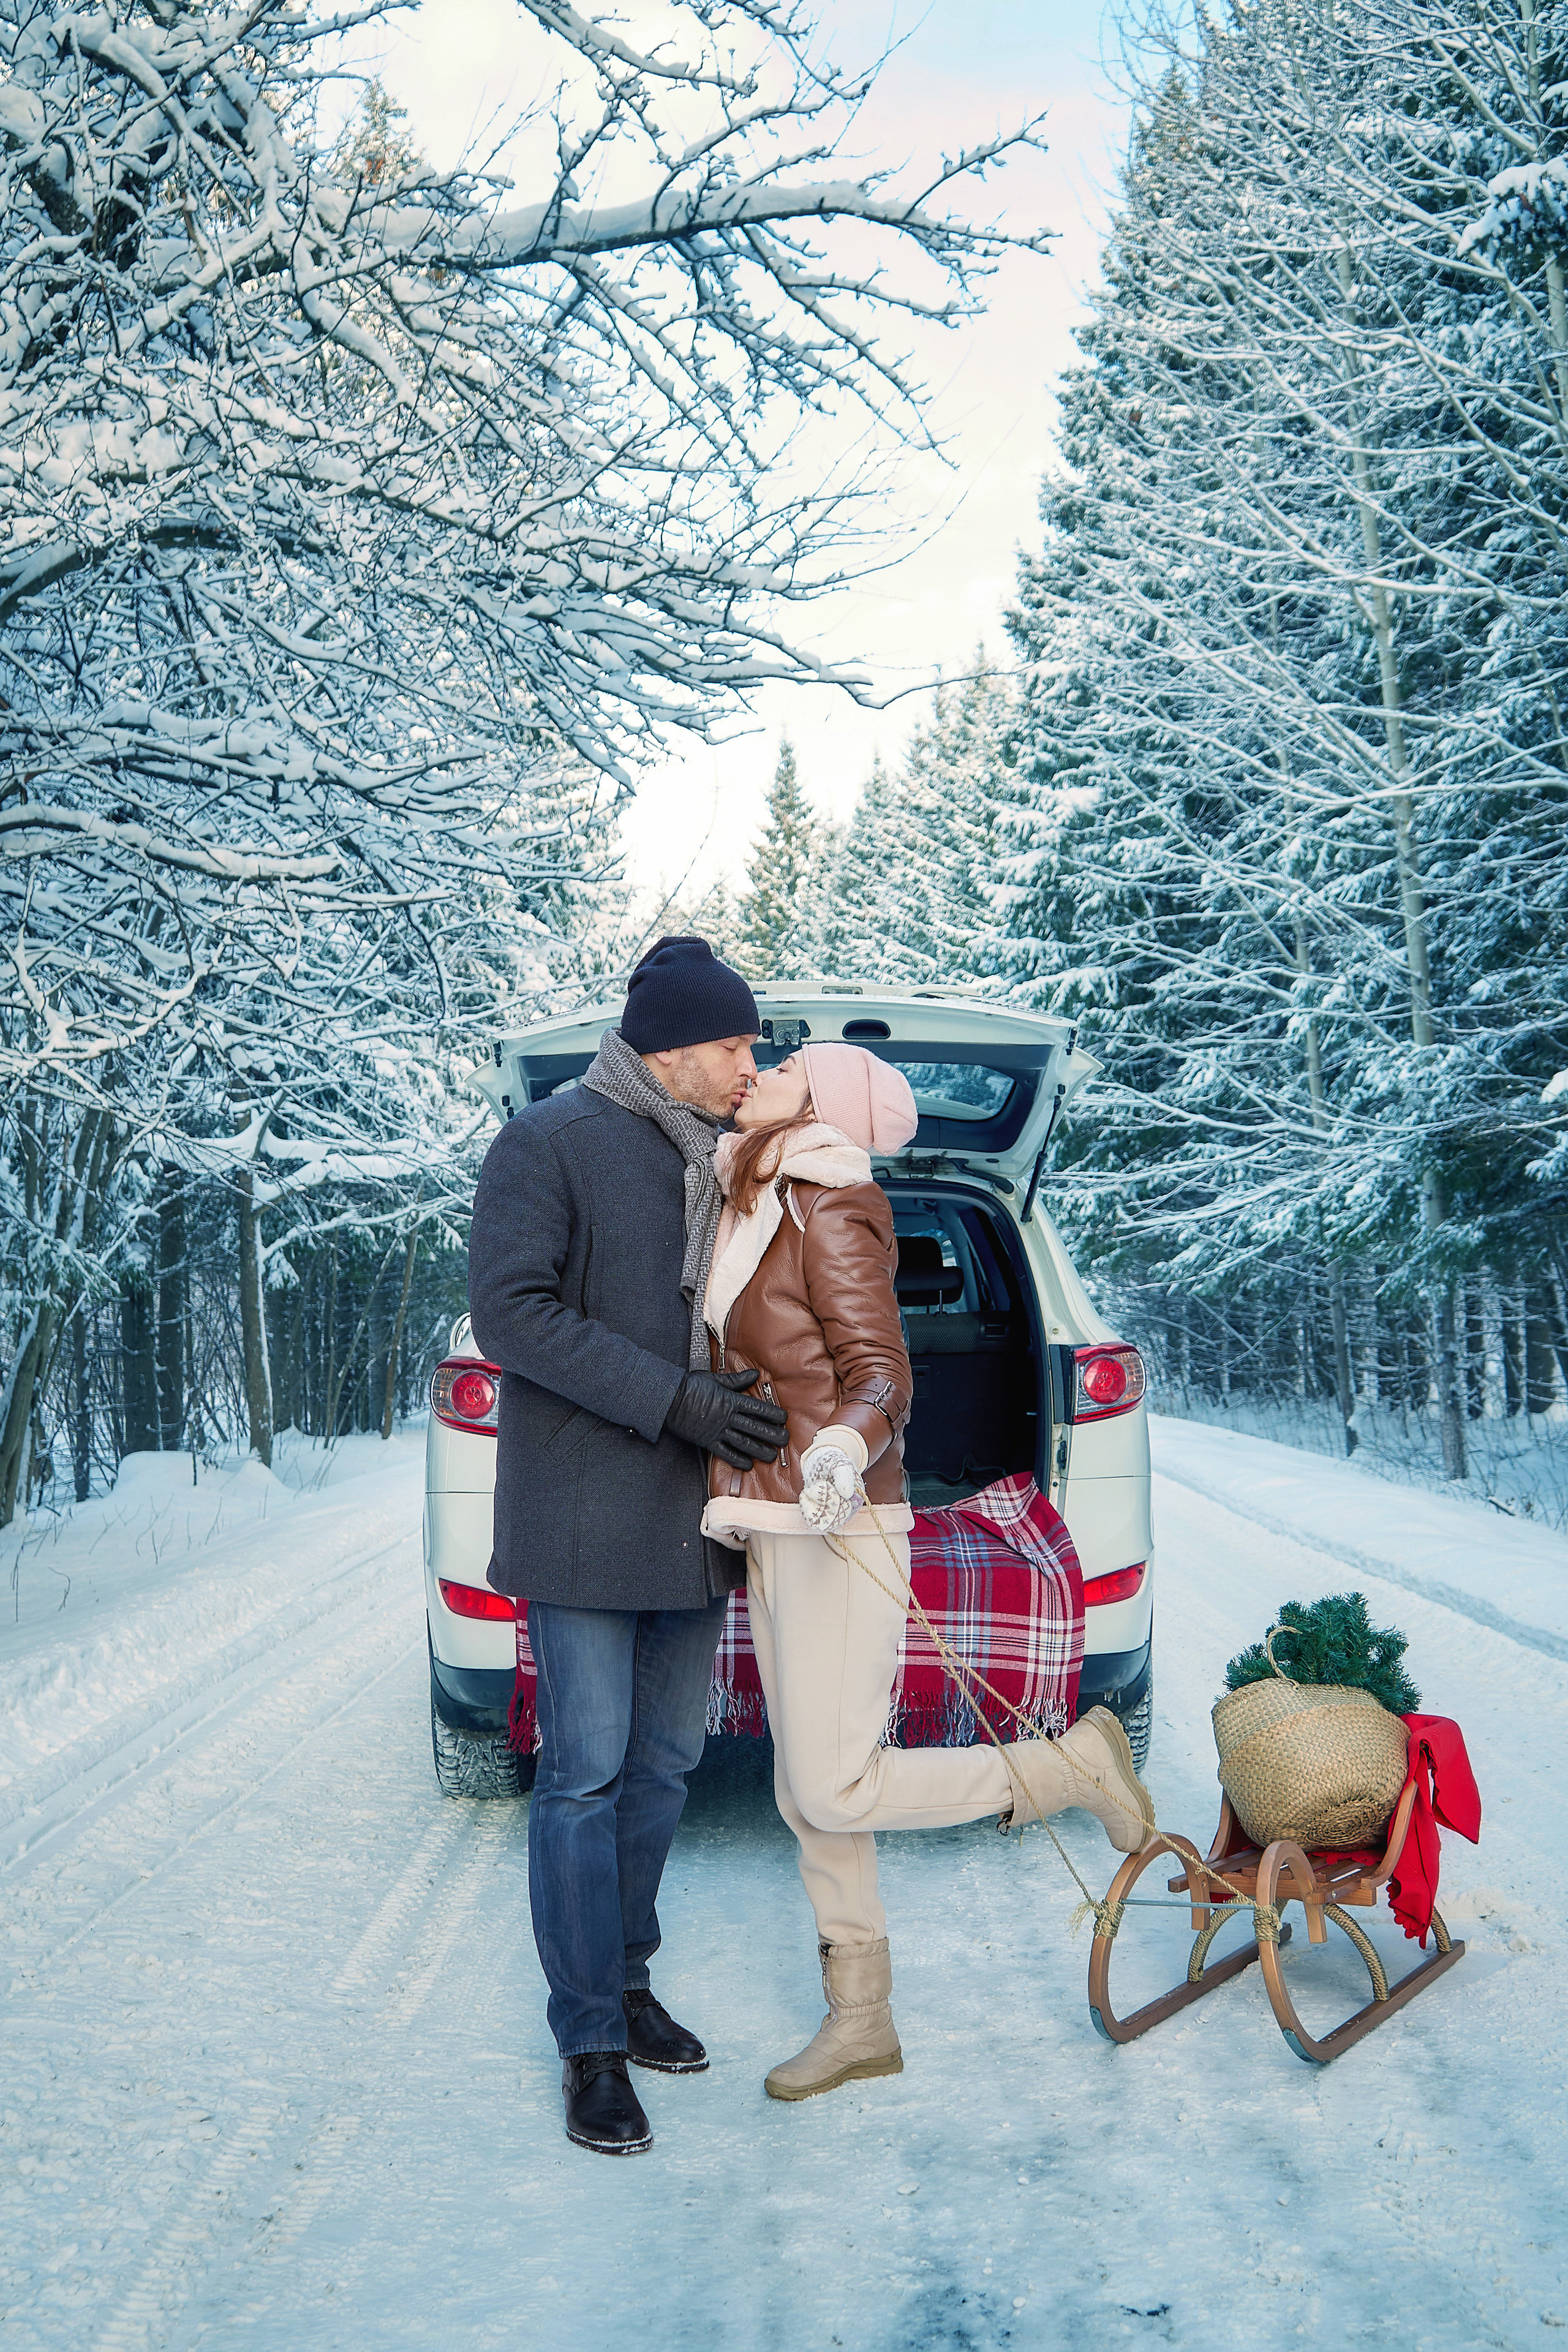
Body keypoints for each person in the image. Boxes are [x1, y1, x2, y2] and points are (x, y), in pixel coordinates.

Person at [700, 1041, 1156, 2101]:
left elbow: (881, 1372)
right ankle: (861, 2019)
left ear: (824, 1103)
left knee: (834, 1780)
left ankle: (1072, 1767)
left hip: (841, 1516)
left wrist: (839, 1450)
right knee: (806, 1792)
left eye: (785, 1063)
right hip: (772, 1519)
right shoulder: (754, 1194)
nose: (761, 1066)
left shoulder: (834, 1200)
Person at [467, 937, 788, 2157]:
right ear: (666, 1049)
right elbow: (513, 1313)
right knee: (584, 1773)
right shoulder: (547, 1141)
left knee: (664, 1767)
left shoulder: (735, 1162)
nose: (746, 1065)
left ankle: (629, 1976)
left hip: (696, 1517)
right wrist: (676, 1398)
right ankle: (590, 2039)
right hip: (585, 1512)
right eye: (731, 1045)